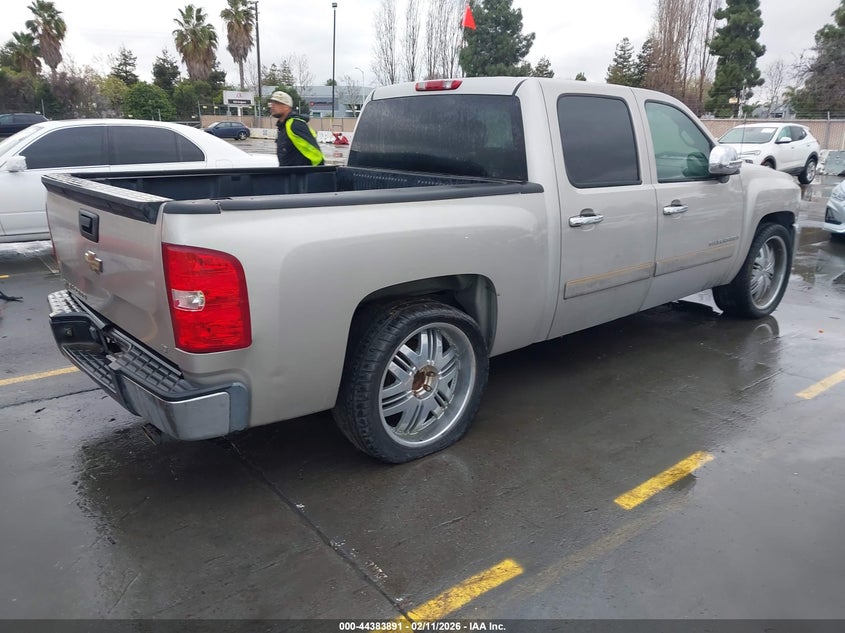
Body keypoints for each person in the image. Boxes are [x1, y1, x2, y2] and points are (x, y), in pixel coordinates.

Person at [267, 91, 325, 167]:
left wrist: (311, 176)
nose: (272, 106)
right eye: (272, 103)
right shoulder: (283, 126)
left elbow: (317, 156)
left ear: (286, 106)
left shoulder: (295, 124)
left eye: (276, 103)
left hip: (298, 177)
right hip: (289, 177)